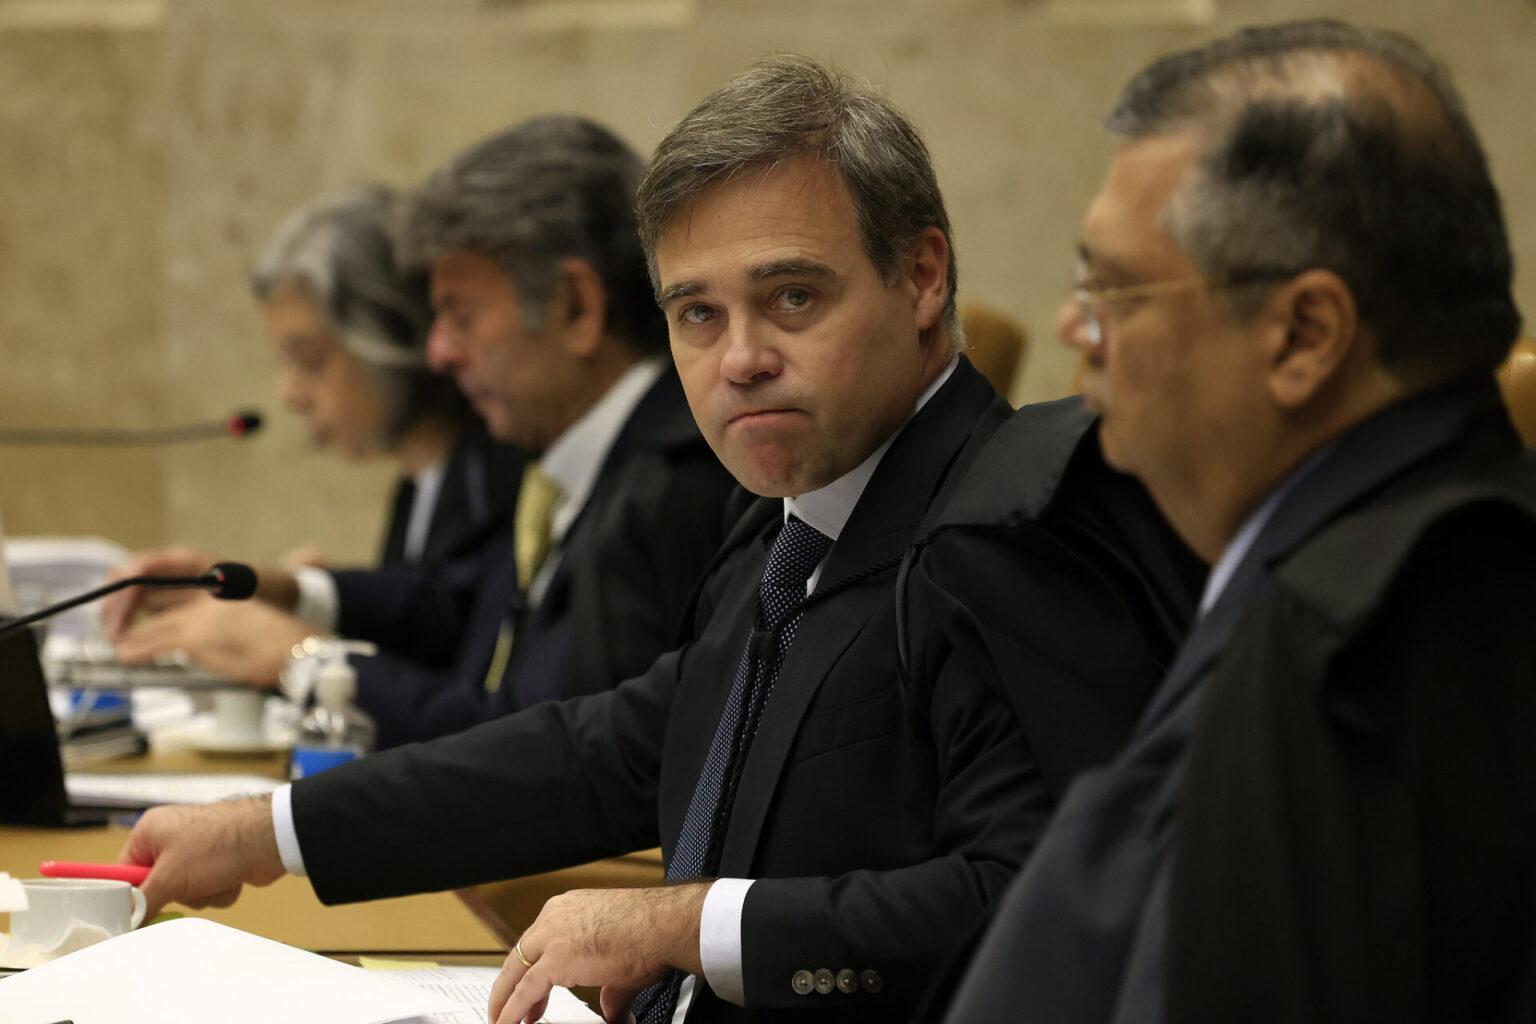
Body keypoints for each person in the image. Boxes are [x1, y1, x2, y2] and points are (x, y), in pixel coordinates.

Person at [115, 56, 1195, 1024]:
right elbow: (612, 751)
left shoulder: (1015, 527)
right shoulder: (790, 518)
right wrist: (270, 831)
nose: (740, 360)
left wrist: (688, 925)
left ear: (922, 277)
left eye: (791, 296)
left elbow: (1047, 906)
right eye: (697, 314)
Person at [944, 19, 1536, 1024]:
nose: (1074, 327)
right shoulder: (1435, 554)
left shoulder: (1342, 643)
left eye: (1113, 288)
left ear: (1303, 334)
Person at [107, 117, 736, 747]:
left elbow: (552, 753)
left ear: (574, 306)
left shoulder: (671, 482)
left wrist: (303, 662)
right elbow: (456, 606)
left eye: (461, 315)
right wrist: (281, 590)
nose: (436, 352)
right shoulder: (581, 456)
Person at [252, 185, 526, 570]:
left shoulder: (500, 484)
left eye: (311, 360)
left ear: (395, 330)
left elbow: (455, 602)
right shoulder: (418, 486)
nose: (289, 394)